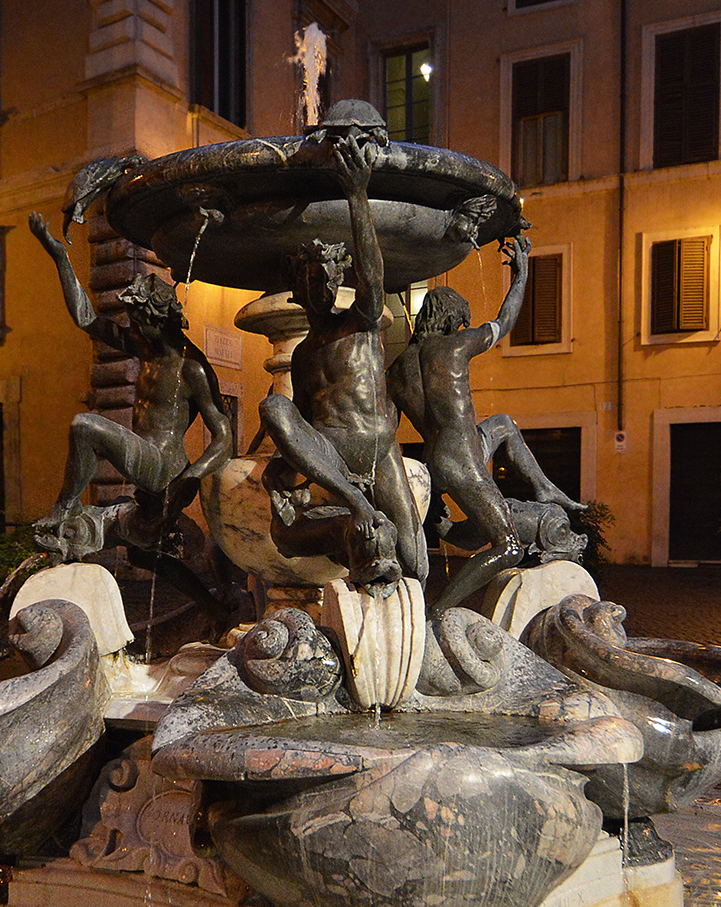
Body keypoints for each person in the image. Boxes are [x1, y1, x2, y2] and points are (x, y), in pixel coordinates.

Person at [258, 134, 428, 592]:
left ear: (338, 283)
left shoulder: (362, 323)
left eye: (327, 278)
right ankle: (355, 510)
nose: (320, 287)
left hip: (377, 445)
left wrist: (357, 193)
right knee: (275, 408)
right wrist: (279, 469)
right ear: (297, 287)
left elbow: (374, 274)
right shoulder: (302, 354)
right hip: (332, 452)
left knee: (414, 555)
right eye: (310, 279)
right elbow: (303, 421)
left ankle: (417, 630)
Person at [387, 237, 585, 610]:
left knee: (503, 425)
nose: (465, 325)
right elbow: (506, 319)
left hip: (436, 461)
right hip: (464, 460)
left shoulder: (396, 370)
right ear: (451, 321)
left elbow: (387, 430)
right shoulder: (457, 345)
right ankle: (439, 611)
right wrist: (521, 273)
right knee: (507, 545)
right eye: (461, 321)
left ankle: (542, 489)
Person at [29, 212, 233, 558]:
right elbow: (87, 319)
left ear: (159, 320)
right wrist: (59, 256)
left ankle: (64, 508)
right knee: (143, 550)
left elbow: (224, 437)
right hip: (146, 457)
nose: (132, 330)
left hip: (165, 468)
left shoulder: (192, 369)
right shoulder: (146, 347)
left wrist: (191, 478)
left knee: (85, 426)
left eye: (138, 322)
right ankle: (212, 604)